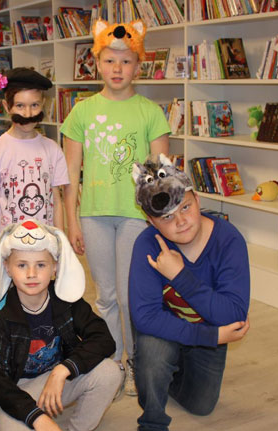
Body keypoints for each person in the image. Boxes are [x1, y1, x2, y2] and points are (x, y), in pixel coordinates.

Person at [61, 19, 171, 396]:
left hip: (136, 217)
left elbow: (160, 173)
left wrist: (160, 220)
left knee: (129, 295)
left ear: (138, 66)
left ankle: (139, 361)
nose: (117, 68)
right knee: (105, 296)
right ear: (97, 64)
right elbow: (70, 174)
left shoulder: (150, 112)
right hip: (93, 215)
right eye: (109, 61)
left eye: (126, 61)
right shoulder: (81, 112)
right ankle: (113, 363)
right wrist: (72, 222)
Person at [128, 154, 251, 431]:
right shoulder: (146, 244)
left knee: (202, 406)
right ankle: (152, 426)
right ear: (151, 222)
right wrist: (212, 336)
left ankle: (166, 372)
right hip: (183, 331)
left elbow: (234, 316)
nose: (181, 221)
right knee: (153, 353)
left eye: (185, 207)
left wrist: (180, 275)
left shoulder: (228, 239)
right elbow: (145, 317)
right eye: (167, 217)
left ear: (198, 199)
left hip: (204, 330)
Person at [0, 221, 123, 431]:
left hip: (57, 380)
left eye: (41, 265)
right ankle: (31, 418)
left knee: (111, 372)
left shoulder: (66, 301)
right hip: (17, 391)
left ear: (55, 267)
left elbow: (104, 338)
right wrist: (36, 417)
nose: (31, 274)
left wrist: (63, 370)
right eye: (22, 265)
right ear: (7, 267)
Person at [0, 67, 69, 260]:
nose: (28, 113)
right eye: (20, 106)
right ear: (6, 106)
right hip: (10, 246)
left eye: (34, 105)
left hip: (45, 244)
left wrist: (60, 243)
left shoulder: (53, 149)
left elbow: (56, 200)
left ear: (43, 104)